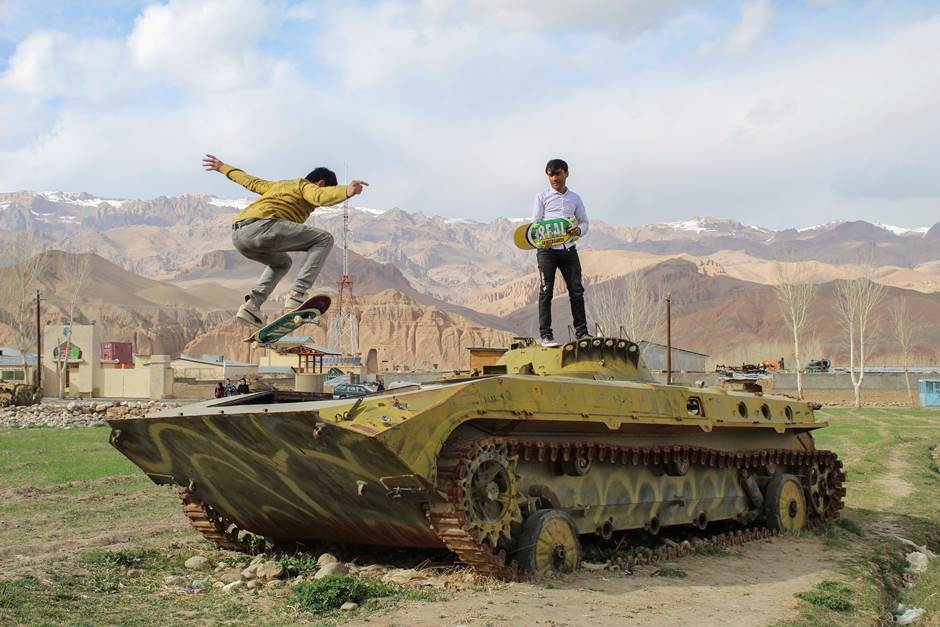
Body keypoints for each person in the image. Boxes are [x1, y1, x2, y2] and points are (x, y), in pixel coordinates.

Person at [202, 154, 368, 327]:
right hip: (262, 227)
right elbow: (319, 196)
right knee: (324, 239)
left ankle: (252, 305)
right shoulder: (305, 186)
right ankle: (297, 293)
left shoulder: (279, 186)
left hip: (239, 236)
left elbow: (251, 182)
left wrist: (223, 167)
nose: (317, 206)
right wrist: (347, 191)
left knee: (282, 263)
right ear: (320, 184)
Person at [531, 158, 590, 347]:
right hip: (547, 251)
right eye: (550, 175)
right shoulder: (541, 197)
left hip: (569, 250)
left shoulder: (575, 198)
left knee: (576, 291)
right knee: (546, 291)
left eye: (557, 174)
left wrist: (578, 230)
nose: (554, 178)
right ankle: (546, 335)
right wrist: (542, 238)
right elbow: (535, 224)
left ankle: (582, 333)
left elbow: (584, 221)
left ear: (566, 173)